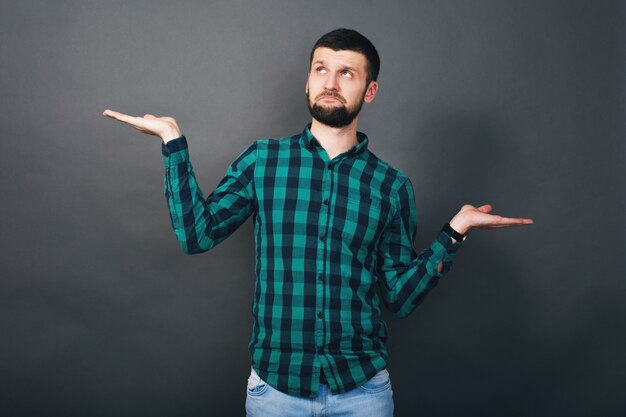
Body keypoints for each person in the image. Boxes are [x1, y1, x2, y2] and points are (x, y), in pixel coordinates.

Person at [102, 28, 533, 417]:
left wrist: (454, 231)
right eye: (321, 69)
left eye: (346, 73)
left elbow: (399, 298)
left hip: (363, 392)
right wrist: (172, 141)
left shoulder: (391, 187)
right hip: (276, 392)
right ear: (307, 82)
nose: (330, 81)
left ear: (370, 90)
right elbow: (196, 235)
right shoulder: (263, 160)